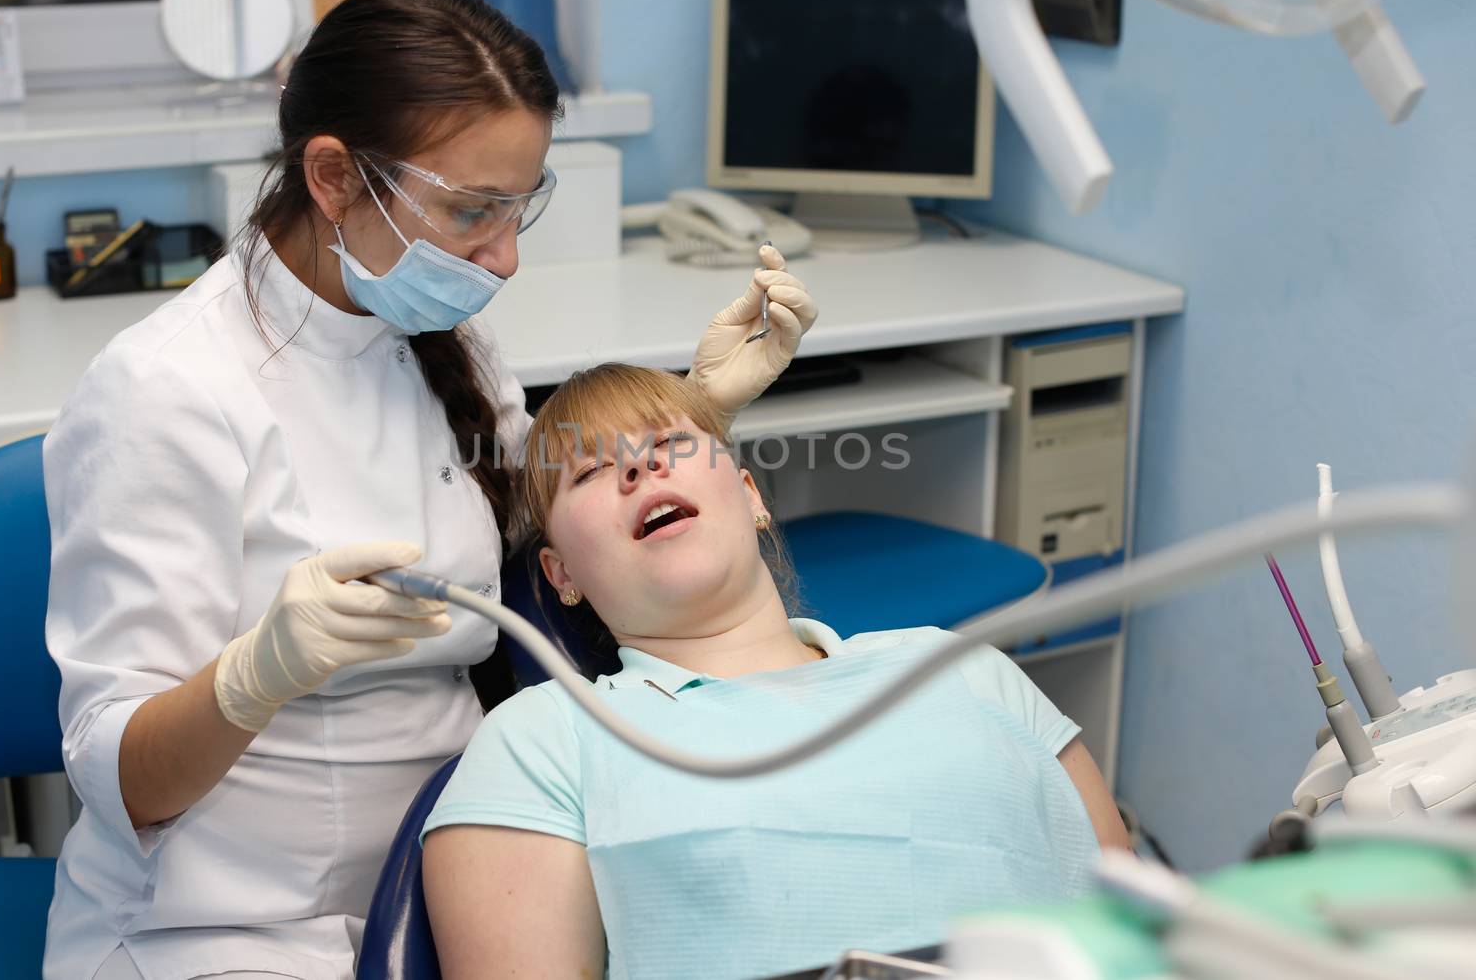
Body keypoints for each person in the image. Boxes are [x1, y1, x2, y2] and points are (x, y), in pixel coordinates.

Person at [42, 0, 818, 980]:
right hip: (232, 930)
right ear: (332, 176)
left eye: (519, 206)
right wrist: (255, 674)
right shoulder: (164, 391)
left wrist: (693, 413)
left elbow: (564, 530)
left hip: (472, 871)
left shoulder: (437, 332)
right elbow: (123, 779)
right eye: (470, 210)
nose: (502, 258)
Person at [421, 363, 1130, 980]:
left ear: (754, 496)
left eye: (669, 442)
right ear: (562, 573)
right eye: (592, 470)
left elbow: (1137, 932)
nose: (640, 468)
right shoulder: (543, 742)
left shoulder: (961, 667)